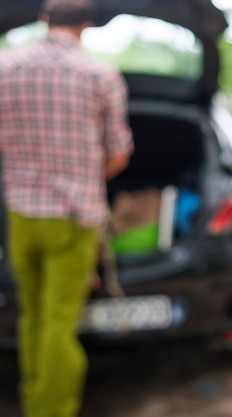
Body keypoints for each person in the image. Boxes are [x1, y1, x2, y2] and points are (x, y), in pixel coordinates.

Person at [0, 0, 134, 416]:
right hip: (75, 215)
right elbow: (118, 155)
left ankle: (32, 397)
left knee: (33, 314)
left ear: (44, 21)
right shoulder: (100, 74)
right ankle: (50, 410)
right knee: (60, 319)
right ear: (87, 26)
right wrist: (80, 174)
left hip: (21, 213)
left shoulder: (5, 68)